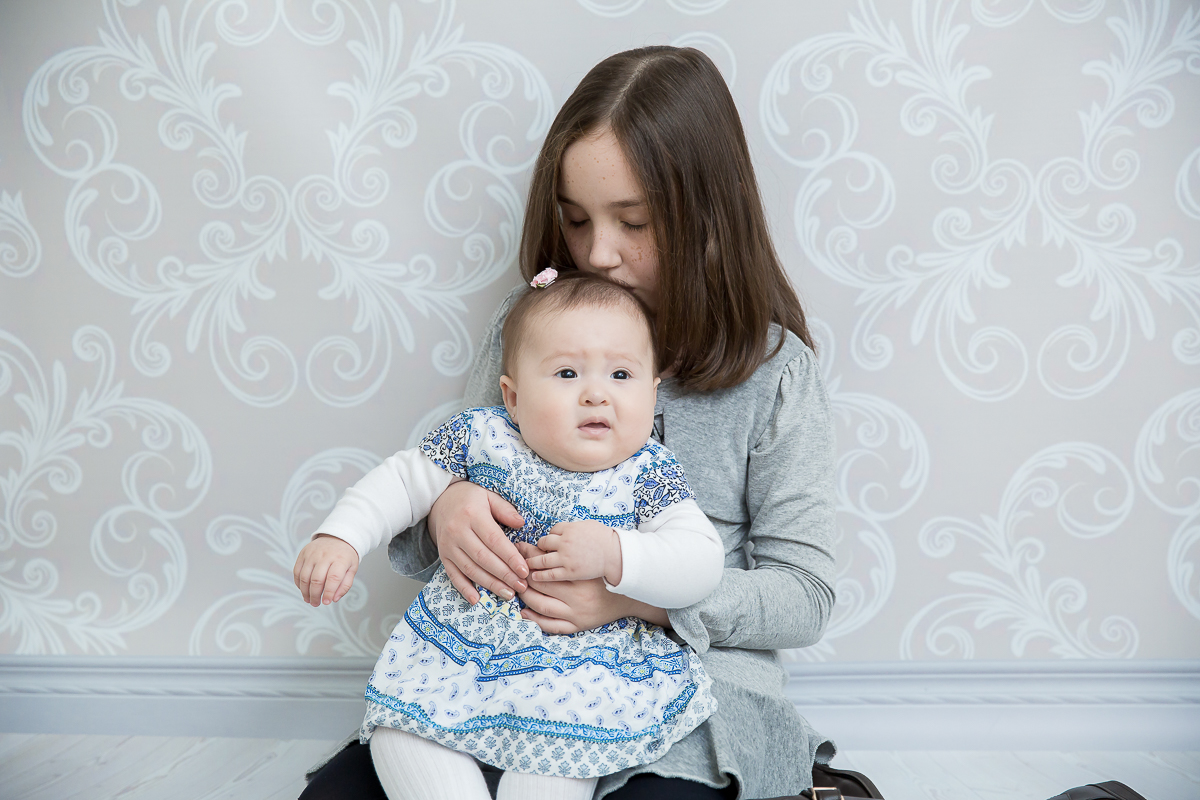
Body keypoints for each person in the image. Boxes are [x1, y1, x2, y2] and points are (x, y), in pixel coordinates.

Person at [300, 45, 836, 800]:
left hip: (694, 692)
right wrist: (450, 507)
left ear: (708, 212)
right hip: (503, 670)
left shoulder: (777, 374)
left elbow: (804, 595)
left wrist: (637, 596)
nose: (598, 253)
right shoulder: (531, 326)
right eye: (577, 220)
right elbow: (439, 491)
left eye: (635, 221)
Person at [294, 270, 725, 800]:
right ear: (513, 397)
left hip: (578, 668)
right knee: (400, 734)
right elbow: (403, 479)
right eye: (567, 373)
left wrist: (618, 554)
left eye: (621, 375)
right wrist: (341, 537)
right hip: (460, 652)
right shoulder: (485, 436)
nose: (596, 395)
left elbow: (701, 560)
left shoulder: (648, 474)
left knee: (556, 767)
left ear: (653, 392)